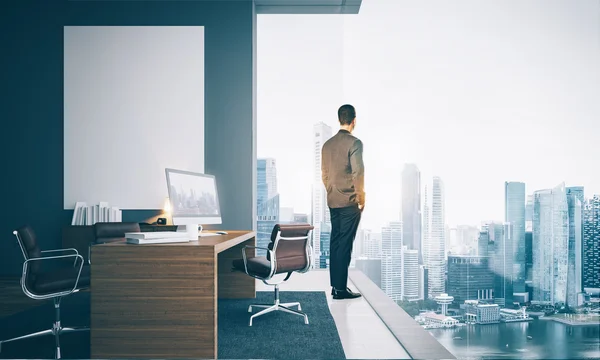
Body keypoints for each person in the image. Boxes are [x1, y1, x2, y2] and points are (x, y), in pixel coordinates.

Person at [321, 104, 365, 300]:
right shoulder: (355, 143)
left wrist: (331, 190)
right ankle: (340, 289)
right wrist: (361, 198)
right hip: (349, 202)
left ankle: (336, 286)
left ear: (340, 119)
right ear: (354, 121)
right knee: (344, 245)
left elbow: (324, 174)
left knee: (335, 243)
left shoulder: (327, 145)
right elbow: (358, 172)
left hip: (332, 200)